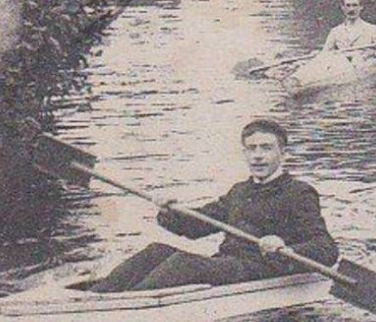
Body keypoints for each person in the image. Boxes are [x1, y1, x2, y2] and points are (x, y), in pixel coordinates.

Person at [90, 119, 338, 293]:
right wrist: (169, 211)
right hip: (229, 264)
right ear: (244, 153)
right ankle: (96, 297)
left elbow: (326, 249)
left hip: (262, 270)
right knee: (156, 251)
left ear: (284, 154)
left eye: (266, 148)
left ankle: (128, 306)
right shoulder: (239, 191)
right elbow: (197, 225)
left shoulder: (298, 193)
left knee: (186, 264)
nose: (258, 156)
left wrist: (286, 248)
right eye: (251, 149)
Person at [322, 0, 376, 67]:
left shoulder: (373, 29)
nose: (351, 9)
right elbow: (325, 54)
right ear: (343, 8)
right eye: (348, 6)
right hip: (343, 68)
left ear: (361, 7)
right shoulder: (335, 31)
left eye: (355, 5)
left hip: (365, 67)